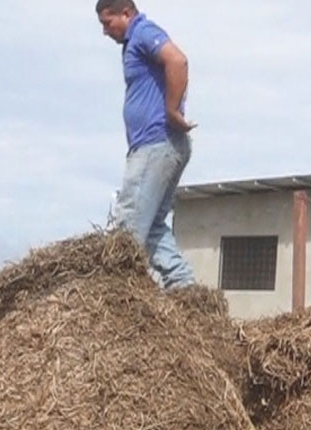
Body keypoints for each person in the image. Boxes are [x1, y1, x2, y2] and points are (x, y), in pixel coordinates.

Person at [95, 0, 197, 289]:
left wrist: (173, 110)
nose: (105, 32)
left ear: (126, 13)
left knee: (128, 228)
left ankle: (117, 294)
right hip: (163, 146)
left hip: (155, 143)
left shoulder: (142, 31)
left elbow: (177, 60)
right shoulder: (134, 41)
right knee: (152, 227)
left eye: (107, 22)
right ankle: (183, 286)